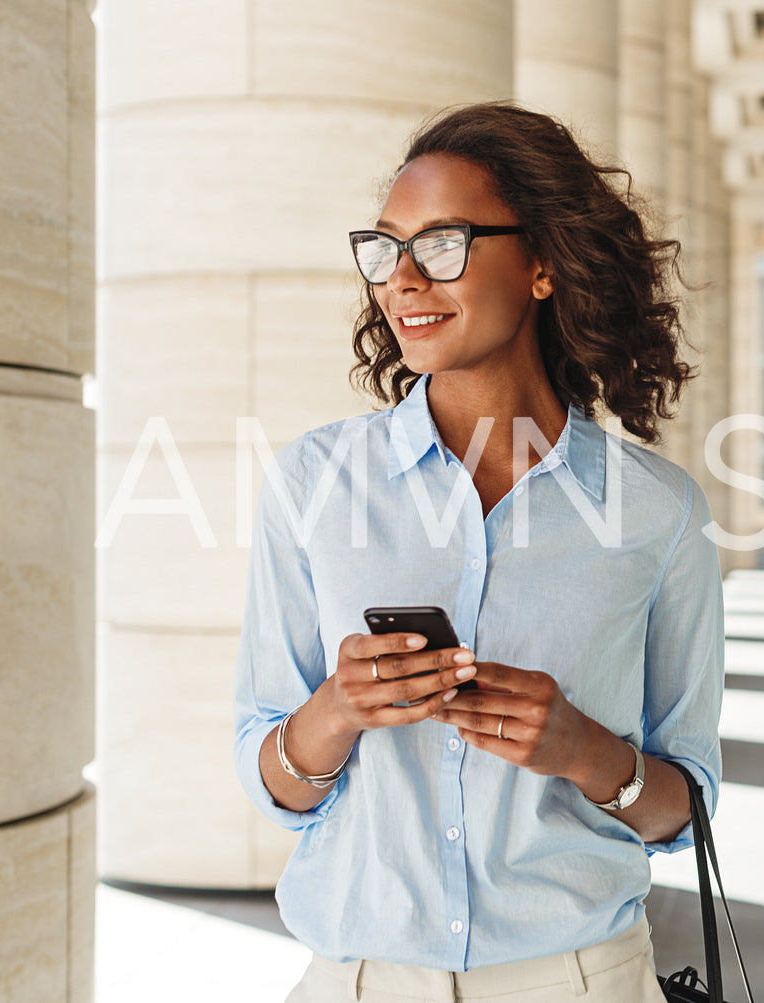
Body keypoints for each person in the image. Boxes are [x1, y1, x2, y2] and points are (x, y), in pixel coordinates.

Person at [232, 102, 724, 1003]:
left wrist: (582, 750)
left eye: (444, 244)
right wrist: (337, 710)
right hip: (359, 980)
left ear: (542, 264)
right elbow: (271, 779)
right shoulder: (313, 482)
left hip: (580, 981)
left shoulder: (657, 513)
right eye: (385, 249)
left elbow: (684, 808)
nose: (403, 279)